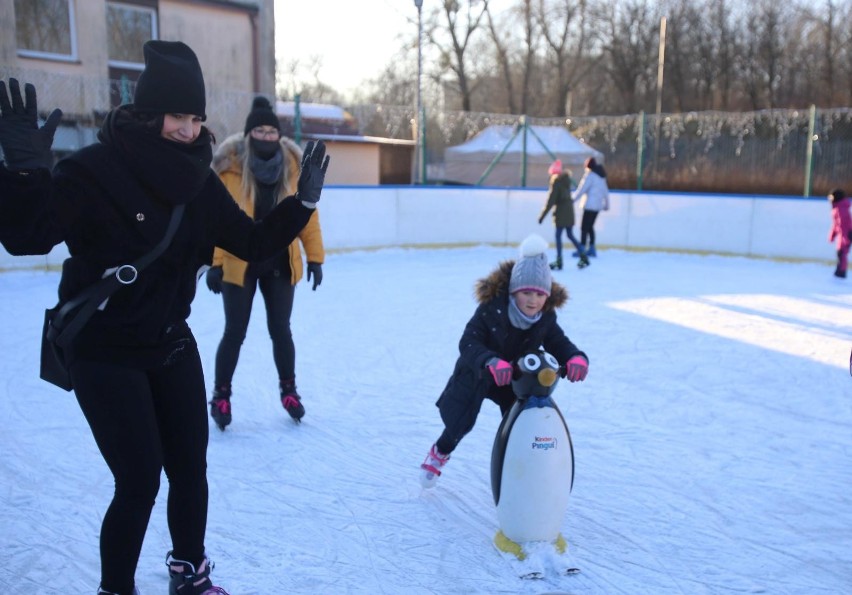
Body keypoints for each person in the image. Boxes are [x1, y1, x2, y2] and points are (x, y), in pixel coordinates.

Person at [0, 40, 329, 595]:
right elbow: (25, 237)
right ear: (150, 113)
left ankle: (189, 573)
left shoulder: (198, 181)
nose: (189, 129)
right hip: (103, 349)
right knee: (138, 481)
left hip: (170, 341)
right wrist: (26, 175)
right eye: (178, 116)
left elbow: (250, 242)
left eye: (197, 118)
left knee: (190, 470)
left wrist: (302, 205)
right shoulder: (94, 169)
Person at [419, 234, 589, 488]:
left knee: (519, 424)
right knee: (459, 423)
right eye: (527, 292)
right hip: (477, 374)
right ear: (513, 291)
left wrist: (575, 357)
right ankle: (440, 451)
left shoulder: (545, 317)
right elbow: (468, 342)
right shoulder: (491, 309)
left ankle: (518, 466)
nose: (533, 301)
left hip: (514, 379)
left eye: (540, 294)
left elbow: (558, 342)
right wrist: (489, 360)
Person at [205, 97, 325, 429]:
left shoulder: (293, 167)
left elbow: (307, 216)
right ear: (249, 133)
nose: (267, 136)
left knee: (281, 330)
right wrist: (214, 263)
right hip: (238, 260)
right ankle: (221, 395)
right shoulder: (229, 167)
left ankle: (289, 391)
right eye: (259, 129)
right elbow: (218, 218)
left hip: (280, 262)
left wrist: (314, 257)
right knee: (234, 332)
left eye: (272, 130)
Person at [538, 159, 589, 270]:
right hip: (569, 212)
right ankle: (583, 255)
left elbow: (551, 201)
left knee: (558, 236)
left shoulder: (556, 182)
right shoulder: (566, 181)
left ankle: (559, 260)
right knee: (570, 235)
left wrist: (542, 216)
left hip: (561, 213)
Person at [571, 157, 609, 258]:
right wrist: (606, 204)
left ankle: (582, 249)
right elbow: (605, 192)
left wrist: (573, 199)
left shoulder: (590, 176)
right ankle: (592, 248)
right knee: (590, 227)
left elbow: (582, 189)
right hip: (597, 207)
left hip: (589, 206)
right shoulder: (601, 177)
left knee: (584, 228)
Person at [828, 188, 851, 279]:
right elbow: (836, 224)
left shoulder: (841, 209)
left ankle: (841, 272)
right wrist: (832, 235)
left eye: (831, 197)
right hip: (843, 234)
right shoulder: (837, 208)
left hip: (846, 234)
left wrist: (845, 238)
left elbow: (843, 225)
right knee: (840, 253)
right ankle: (840, 270)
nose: (829, 199)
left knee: (842, 253)